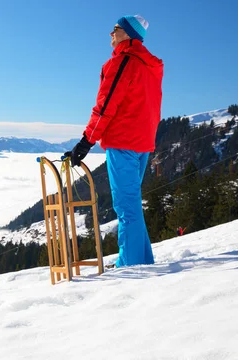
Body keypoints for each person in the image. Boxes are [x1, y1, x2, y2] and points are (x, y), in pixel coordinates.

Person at [65, 15, 164, 267]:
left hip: (123, 142)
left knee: (126, 209)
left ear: (128, 34)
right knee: (132, 206)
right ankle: (142, 261)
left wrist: (87, 141)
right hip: (142, 143)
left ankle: (129, 267)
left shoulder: (124, 61)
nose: (110, 33)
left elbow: (106, 104)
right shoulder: (150, 65)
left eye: (116, 29)